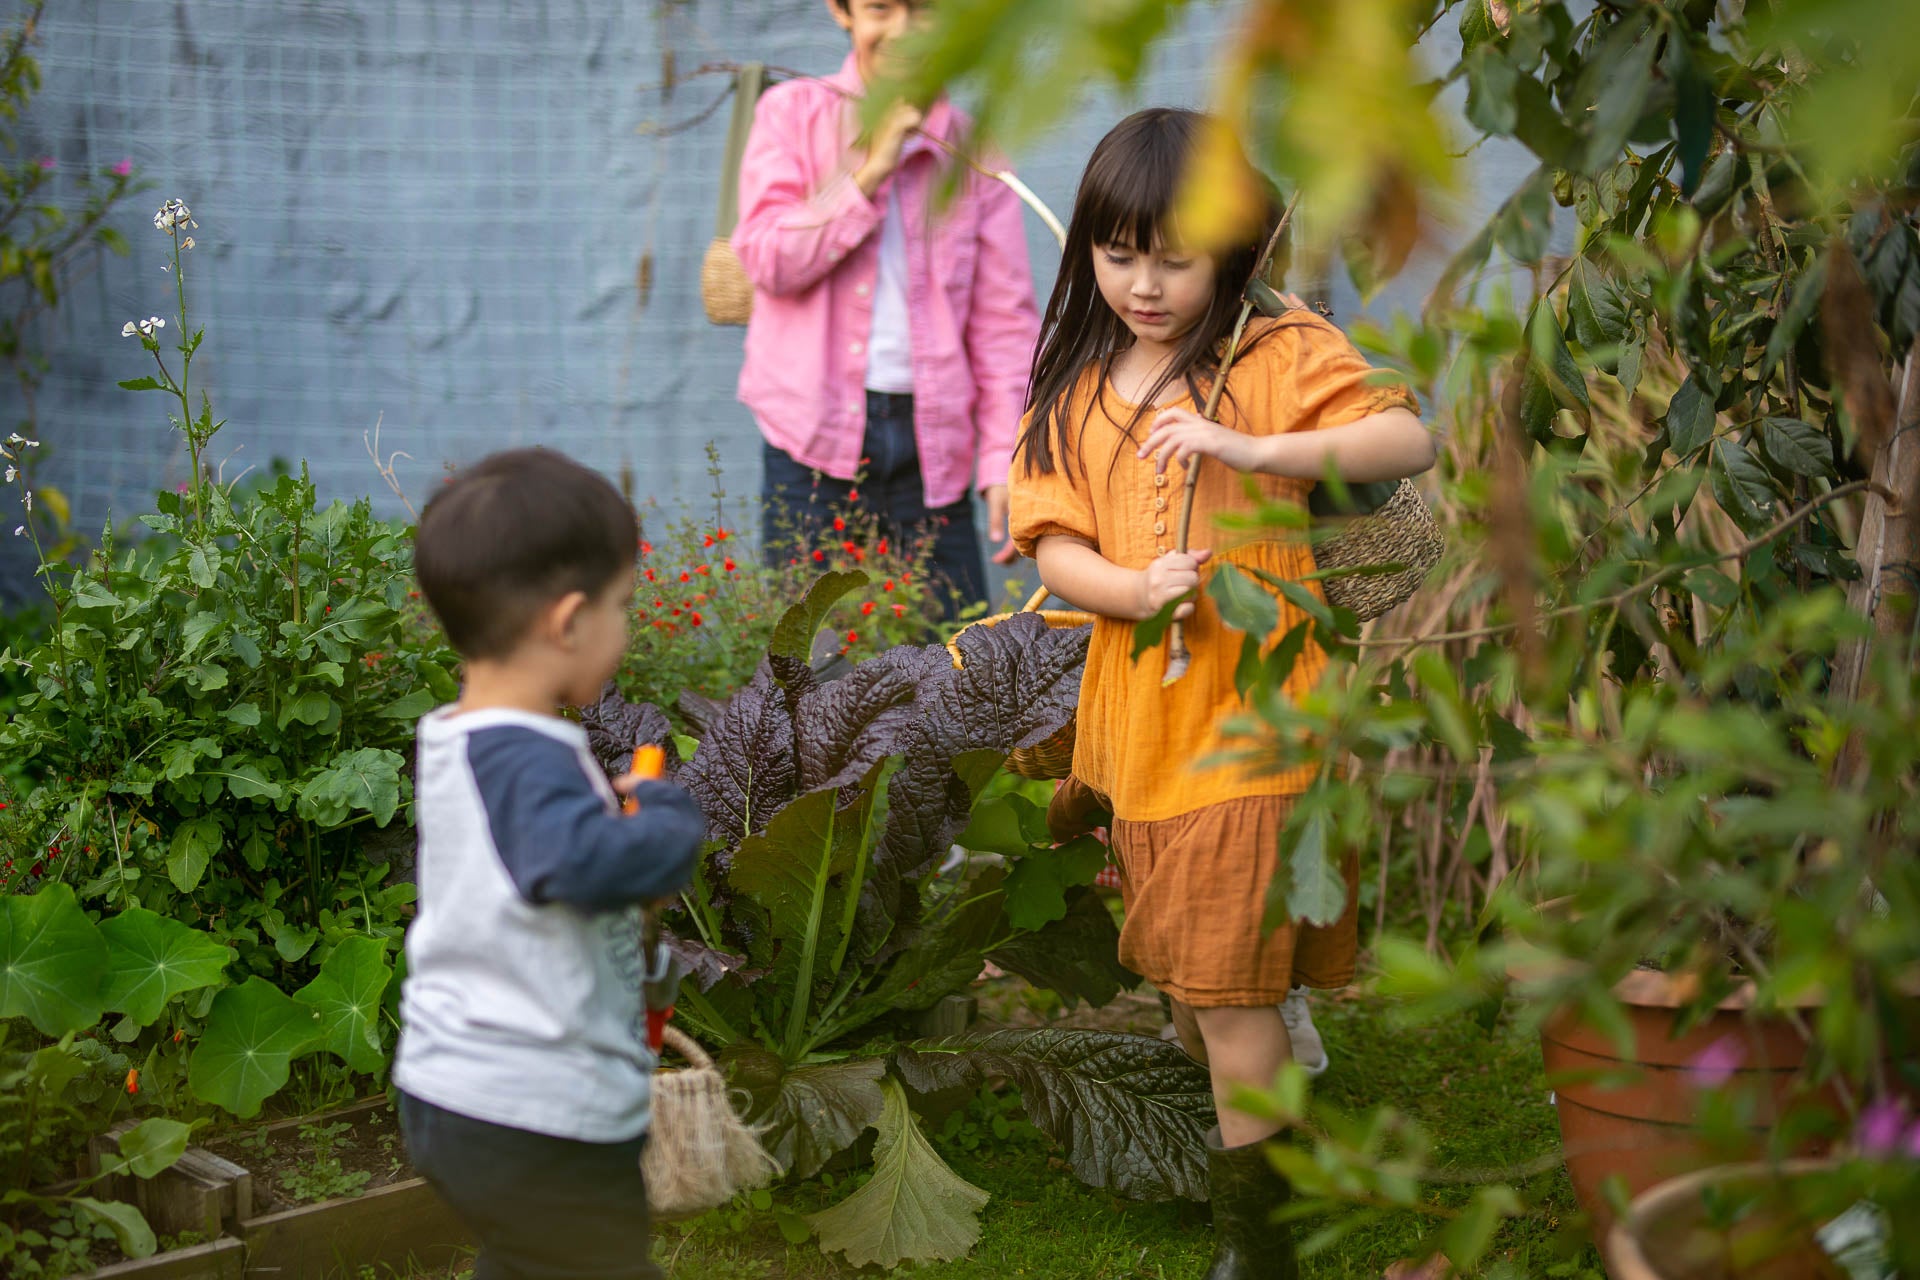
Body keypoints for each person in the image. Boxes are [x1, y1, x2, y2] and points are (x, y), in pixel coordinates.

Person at [1010, 109, 1437, 1279]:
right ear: (1089, 252)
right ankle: (1273, 1107)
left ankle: (1263, 1250)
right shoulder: (1079, 386)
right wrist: (1130, 587)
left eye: (1175, 259)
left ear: (1235, 248)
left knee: (1226, 997)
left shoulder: (1277, 350)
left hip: (1261, 719)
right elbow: (1052, 541)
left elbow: (1405, 441)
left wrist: (1253, 451)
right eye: (1119, 256)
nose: (1144, 286)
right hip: (1139, 732)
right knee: (1197, 990)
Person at [393, 448, 707, 1280]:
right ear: (568, 623)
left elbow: (536, 863)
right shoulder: (523, 759)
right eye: (623, 606)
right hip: (533, 1111)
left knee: (532, 1261)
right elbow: (584, 864)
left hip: (464, 1093)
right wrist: (666, 817)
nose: (627, 627)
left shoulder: (469, 741)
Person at [731, 0, 1041, 618]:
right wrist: (870, 171)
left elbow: (1004, 324)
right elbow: (767, 259)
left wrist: (1000, 458)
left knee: (953, 646)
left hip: (933, 446)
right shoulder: (790, 115)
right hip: (810, 439)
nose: (902, 29)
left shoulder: (975, 151)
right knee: (810, 649)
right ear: (841, 11)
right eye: (880, 7)